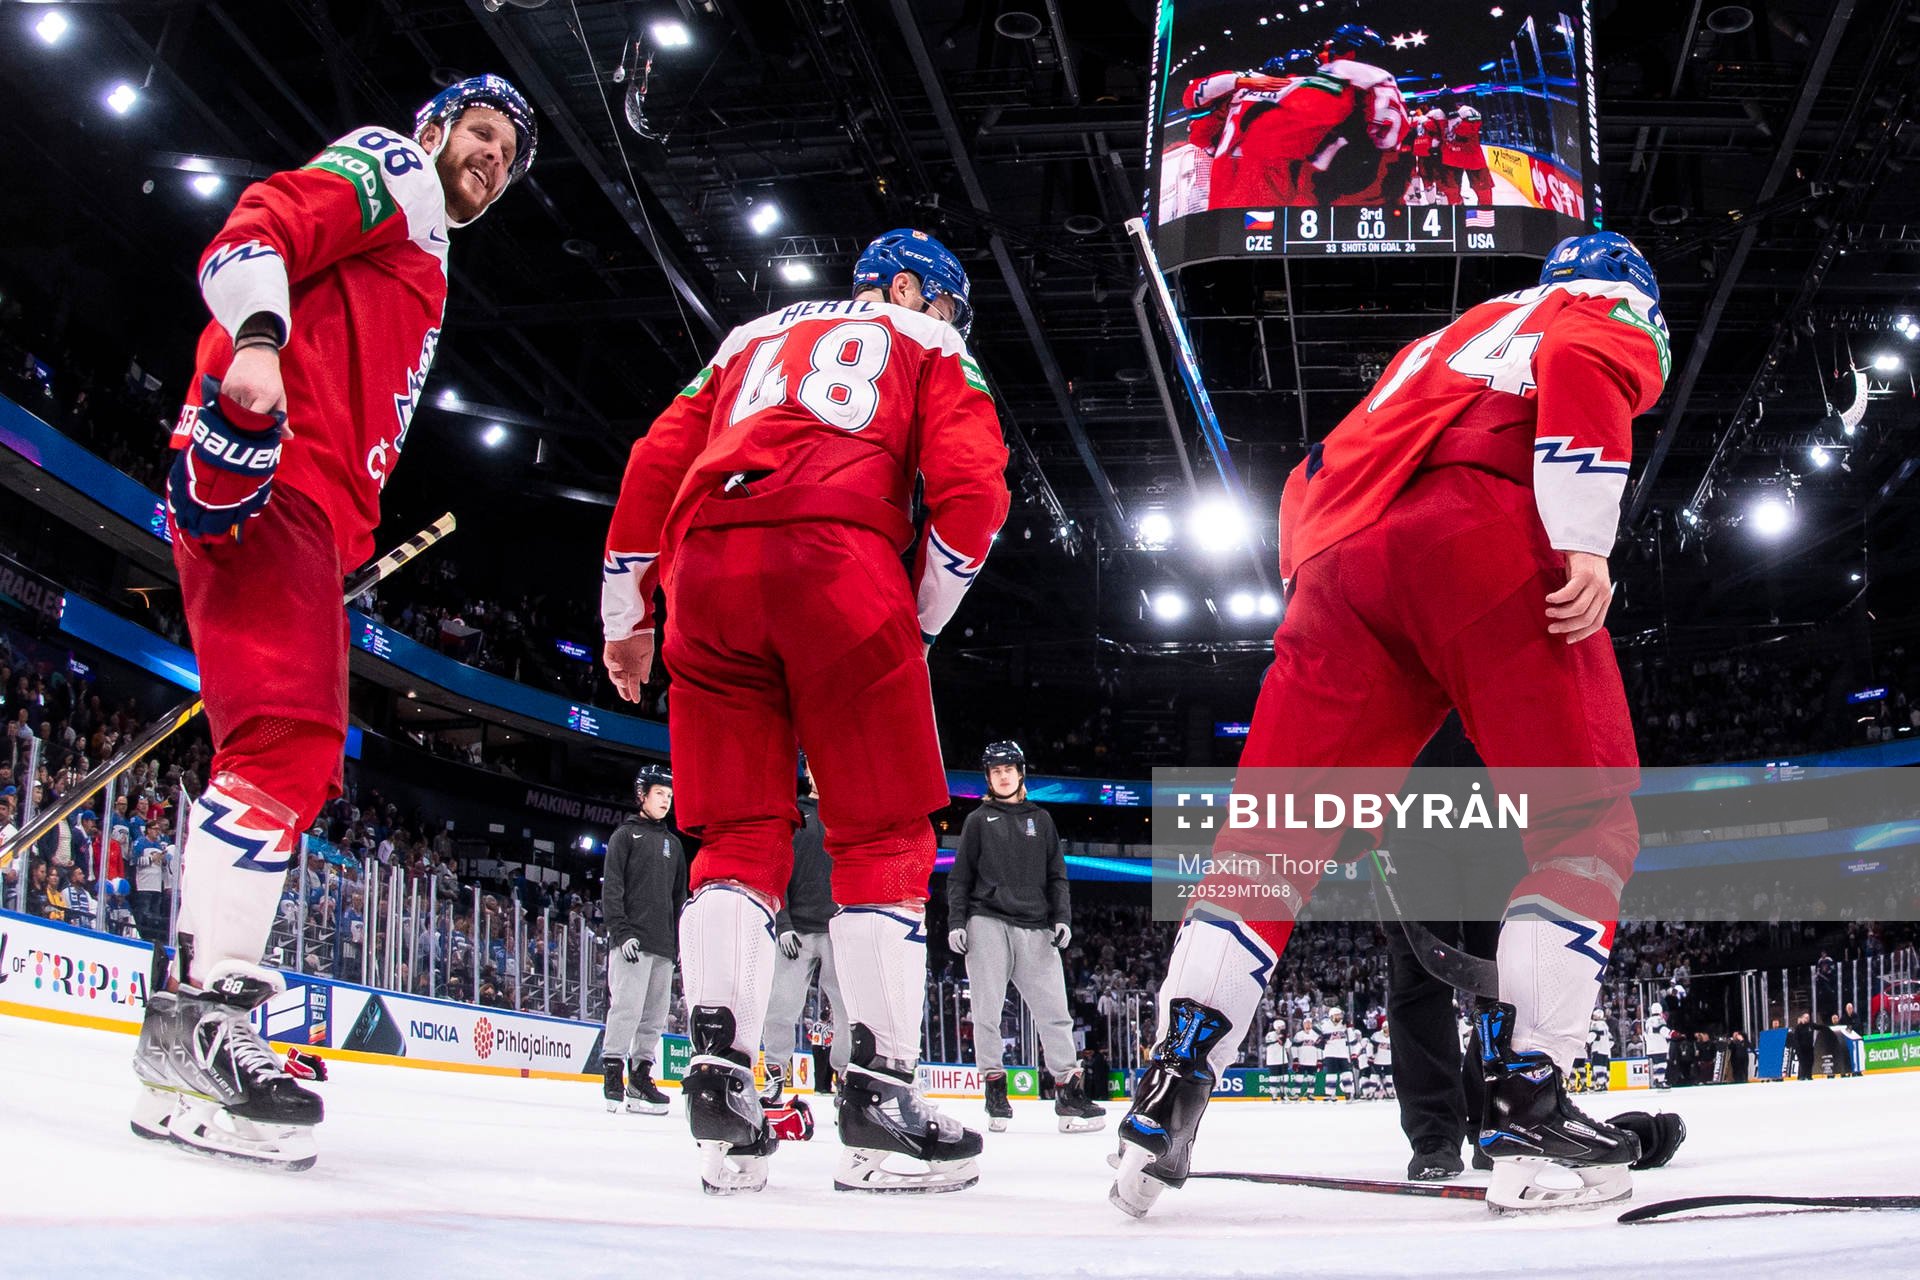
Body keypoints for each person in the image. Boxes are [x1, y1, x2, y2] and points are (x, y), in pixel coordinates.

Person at [1111, 232, 1669, 1218]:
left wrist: (1317, 589)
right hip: (1481, 528)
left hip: (1339, 564)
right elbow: (1586, 358)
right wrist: (1584, 540)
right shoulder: (1597, 306)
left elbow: (1314, 472)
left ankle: (1169, 1089)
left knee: (1266, 844)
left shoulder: (1443, 340)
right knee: (1585, 824)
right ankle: (1528, 1108)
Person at [130, 75, 537, 1171]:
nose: (493, 160)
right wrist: (259, 340)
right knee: (287, 744)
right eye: (483, 133)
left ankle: (184, 1030)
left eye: (509, 157)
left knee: (281, 749)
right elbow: (255, 228)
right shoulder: (398, 168)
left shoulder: (428, 247)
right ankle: (203, 1019)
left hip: (311, 508)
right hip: (276, 474)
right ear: (434, 127)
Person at [598, 228, 1009, 1195]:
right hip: (838, 561)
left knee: (735, 833)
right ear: (906, 288)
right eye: (946, 302)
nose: (951, 321)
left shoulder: (747, 338)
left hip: (706, 572)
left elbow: (652, 464)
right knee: (885, 836)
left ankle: (719, 1091)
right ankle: (879, 1105)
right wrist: (917, 618)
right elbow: (974, 495)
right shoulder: (930, 341)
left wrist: (627, 617)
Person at [948, 741, 1104, 1134]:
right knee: (986, 1012)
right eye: (995, 771)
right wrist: (956, 922)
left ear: (1020, 773)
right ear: (988, 778)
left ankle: (1069, 1093)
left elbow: (1057, 875)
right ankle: (995, 1092)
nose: (1003, 776)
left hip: (1036, 926)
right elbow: (960, 877)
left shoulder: (1042, 819)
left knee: (1056, 1013)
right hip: (987, 921)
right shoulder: (978, 820)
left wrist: (1062, 918)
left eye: (1008, 769)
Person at [600, 763, 687, 1116]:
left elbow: (679, 899)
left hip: (663, 946)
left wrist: (679, 944)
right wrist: (621, 933)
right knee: (626, 1009)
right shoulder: (624, 836)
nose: (666, 801)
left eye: (670, 796)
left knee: (654, 1017)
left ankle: (640, 1078)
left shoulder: (674, 844)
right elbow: (612, 890)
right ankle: (612, 1074)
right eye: (659, 794)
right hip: (631, 943)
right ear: (642, 795)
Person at [761, 759, 849, 1100]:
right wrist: (782, 923)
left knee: (847, 1010)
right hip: (796, 931)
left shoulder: (847, 816)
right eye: (813, 764)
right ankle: (775, 1074)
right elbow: (777, 870)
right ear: (807, 771)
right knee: (781, 1006)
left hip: (838, 929)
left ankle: (845, 1078)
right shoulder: (794, 814)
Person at [1439, 105, 1494, 206]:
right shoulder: (1438, 115)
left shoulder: (1466, 111)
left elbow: (1470, 128)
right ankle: (1462, 209)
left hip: (1464, 157)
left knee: (1482, 190)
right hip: (1463, 157)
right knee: (1453, 191)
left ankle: (1484, 211)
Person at [1587, 1007, 1614, 1093]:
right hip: (1605, 1051)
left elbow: (1592, 1035)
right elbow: (1611, 1040)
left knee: (1597, 1067)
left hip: (1598, 1049)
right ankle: (1604, 1083)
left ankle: (1600, 1084)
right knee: (1603, 1068)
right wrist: (1606, 1046)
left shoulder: (1595, 1024)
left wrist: (1587, 1042)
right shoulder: (1605, 1025)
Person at [1645, 1000, 1671, 1089]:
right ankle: (1661, 1081)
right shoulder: (1660, 1020)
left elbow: (1647, 1032)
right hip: (1660, 1046)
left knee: (1656, 1065)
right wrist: (1670, 1035)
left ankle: (1657, 1079)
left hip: (1650, 1047)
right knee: (1662, 1064)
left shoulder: (1648, 1021)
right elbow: (1664, 1031)